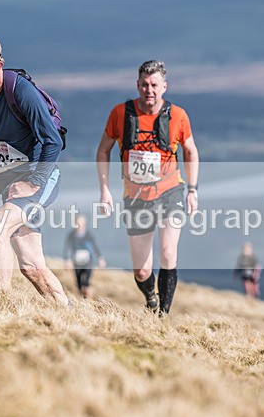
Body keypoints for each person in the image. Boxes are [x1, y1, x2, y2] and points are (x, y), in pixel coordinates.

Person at [0, 33, 69, 306]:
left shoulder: (21, 91)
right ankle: (68, 312)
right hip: (10, 181)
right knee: (31, 266)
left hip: (40, 179)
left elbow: (53, 140)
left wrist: (34, 182)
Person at [96, 60, 199, 317]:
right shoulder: (120, 113)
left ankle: (163, 314)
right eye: (144, 84)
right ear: (137, 85)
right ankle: (151, 297)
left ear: (164, 86)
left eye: (154, 85)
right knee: (142, 271)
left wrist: (193, 189)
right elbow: (103, 150)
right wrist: (105, 190)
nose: (149, 90)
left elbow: (190, 151)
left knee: (168, 252)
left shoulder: (178, 116)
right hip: (136, 196)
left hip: (170, 191)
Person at [63, 214, 106, 299]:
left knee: (86, 283)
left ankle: (88, 301)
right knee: (79, 285)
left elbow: (95, 246)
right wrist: (67, 260)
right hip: (77, 263)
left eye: (81, 223)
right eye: (77, 223)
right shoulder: (71, 235)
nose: (79, 225)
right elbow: (67, 247)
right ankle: (82, 300)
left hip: (88, 263)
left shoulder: (88, 235)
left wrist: (100, 258)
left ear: (84, 224)